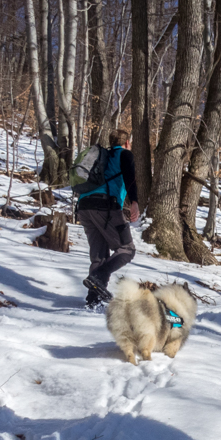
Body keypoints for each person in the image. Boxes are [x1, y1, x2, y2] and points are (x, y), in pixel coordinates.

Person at [73, 129, 140, 308]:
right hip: (106, 207)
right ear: (127, 143)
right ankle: (97, 277)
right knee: (127, 249)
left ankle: (93, 301)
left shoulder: (100, 157)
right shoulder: (124, 154)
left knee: (99, 256)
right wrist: (134, 202)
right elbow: (130, 179)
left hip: (84, 207)